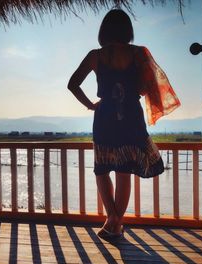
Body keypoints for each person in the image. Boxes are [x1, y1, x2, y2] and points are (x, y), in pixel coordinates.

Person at [68, 9, 180, 239]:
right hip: (130, 115)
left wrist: (91, 105)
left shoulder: (95, 56)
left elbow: (73, 84)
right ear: (127, 30)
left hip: (104, 115)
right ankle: (115, 222)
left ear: (104, 31)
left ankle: (113, 220)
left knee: (101, 169)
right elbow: (144, 88)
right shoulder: (138, 54)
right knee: (123, 171)